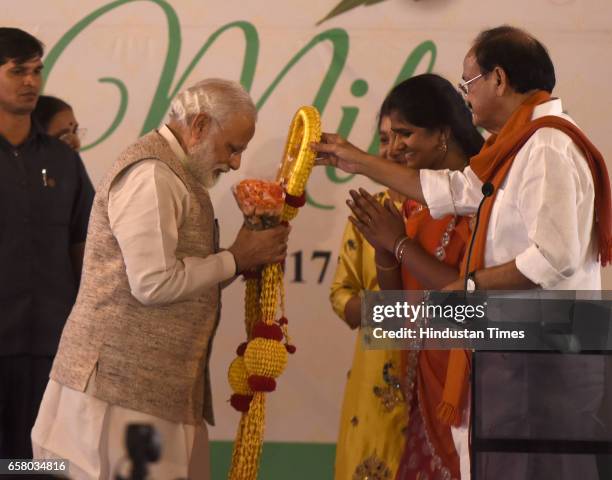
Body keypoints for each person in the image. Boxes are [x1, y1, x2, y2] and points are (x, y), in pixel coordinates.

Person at [314, 26, 611, 479]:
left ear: (499, 79)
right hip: (484, 356)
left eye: (467, 83)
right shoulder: (512, 149)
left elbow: (552, 259)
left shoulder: (548, 145)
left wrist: (450, 279)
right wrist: (355, 161)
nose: (465, 95)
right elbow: (382, 313)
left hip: (537, 348)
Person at [32, 78, 290, 480]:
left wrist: (239, 260)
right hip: (120, 393)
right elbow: (153, 284)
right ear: (200, 125)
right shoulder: (152, 174)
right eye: (233, 148)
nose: (236, 163)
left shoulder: (178, 172)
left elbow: (176, 278)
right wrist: (235, 259)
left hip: (154, 392)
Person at [331, 74, 483, 480]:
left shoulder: (483, 202)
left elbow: (467, 301)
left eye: (405, 133)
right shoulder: (408, 209)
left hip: (469, 382)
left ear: (443, 134)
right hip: (416, 382)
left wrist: (398, 244)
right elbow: (395, 315)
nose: (394, 148)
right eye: (387, 137)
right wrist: (385, 247)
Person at [0, 28, 95, 462]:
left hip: (53, 347)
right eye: (17, 71)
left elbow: (85, 245)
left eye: (36, 71)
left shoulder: (62, 160)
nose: (30, 82)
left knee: (40, 462)